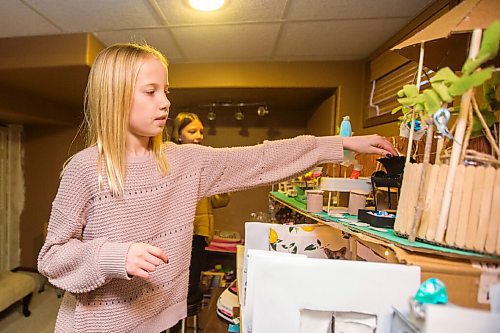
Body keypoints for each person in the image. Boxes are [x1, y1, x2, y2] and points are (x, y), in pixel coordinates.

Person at [37, 42, 397, 333]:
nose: (165, 102)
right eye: (150, 91)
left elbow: (261, 159)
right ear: (114, 97)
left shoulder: (184, 161)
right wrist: (115, 256)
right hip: (97, 325)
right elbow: (52, 258)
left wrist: (340, 145)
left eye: (166, 90)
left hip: (158, 319)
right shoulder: (85, 169)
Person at [171, 112, 231, 319]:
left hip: (199, 232)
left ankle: (183, 318)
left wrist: (223, 180)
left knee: (191, 283)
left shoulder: (205, 160)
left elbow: (218, 201)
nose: (198, 136)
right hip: (174, 233)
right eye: (192, 131)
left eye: (201, 132)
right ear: (178, 135)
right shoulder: (169, 159)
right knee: (173, 282)